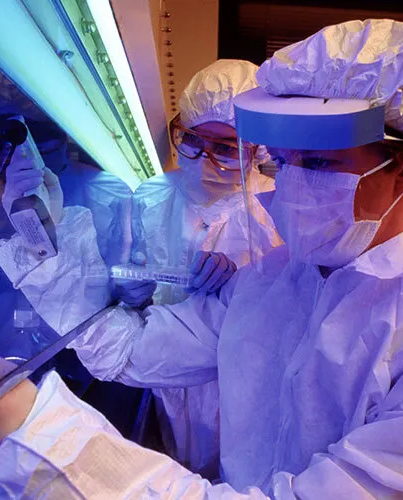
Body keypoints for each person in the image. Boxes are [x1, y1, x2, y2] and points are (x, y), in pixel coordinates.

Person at [0, 20, 403, 498]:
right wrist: (45, 236)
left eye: (315, 163)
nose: (285, 187)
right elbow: (128, 352)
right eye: (278, 161)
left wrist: (32, 441)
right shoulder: (272, 285)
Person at [115, 59, 282, 477]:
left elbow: (289, 307)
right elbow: (121, 286)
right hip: (163, 375)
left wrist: (237, 287)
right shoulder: (150, 197)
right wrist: (129, 294)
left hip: (244, 385)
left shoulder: (277, 208)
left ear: (256, 150)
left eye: (226, 149)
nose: (206, 160)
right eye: (192, 140)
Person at [0, 55, 132, 265]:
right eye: (8, 137)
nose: (26, 151)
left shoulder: (109, 194)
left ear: (65, 129)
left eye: (39, 136)